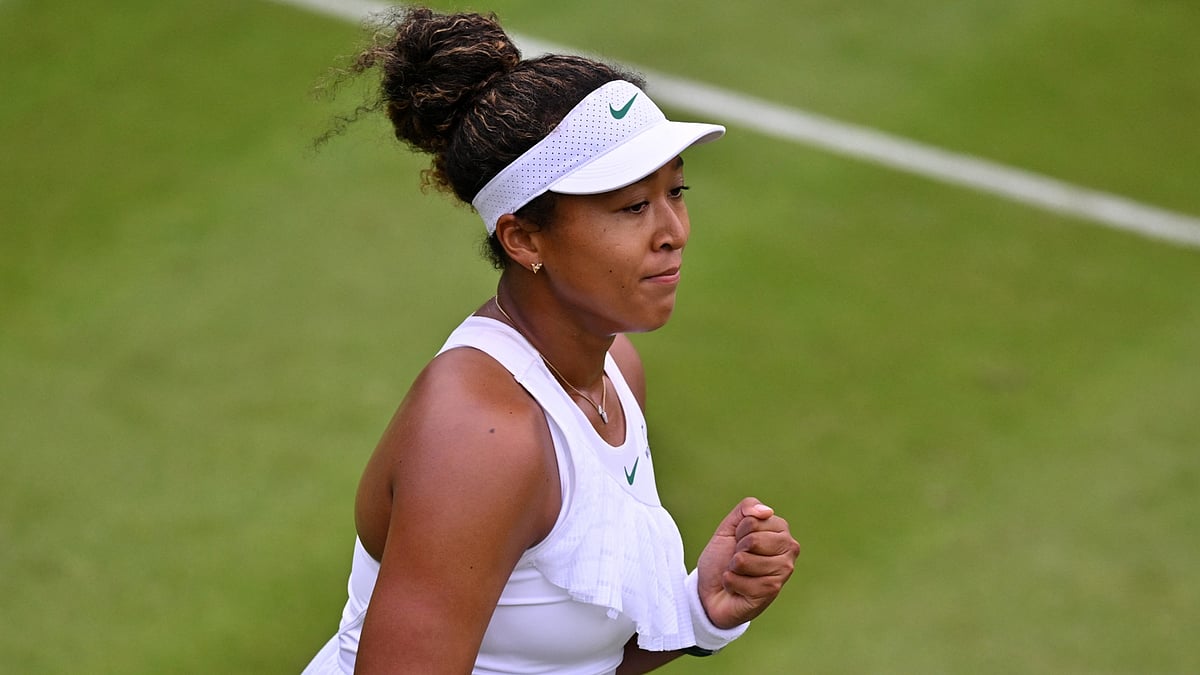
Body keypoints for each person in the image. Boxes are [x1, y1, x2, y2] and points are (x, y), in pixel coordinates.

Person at [302, 7, 800, 674]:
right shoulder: (481, 434)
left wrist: (700, 613)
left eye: (675, 191)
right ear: (525, 239)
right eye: (631, 206)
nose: (673, 230)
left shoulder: (616, 370)